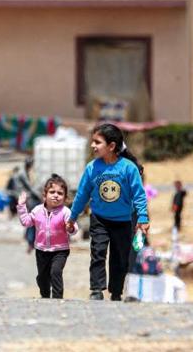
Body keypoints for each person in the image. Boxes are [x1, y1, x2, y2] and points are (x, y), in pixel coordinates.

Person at [66, 123, 149, 301]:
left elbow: (139, 195)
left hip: (123, 221)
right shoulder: (92, 168)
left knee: (120, 258)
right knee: (98, 252)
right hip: (99, 219)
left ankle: (116, 291)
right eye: (92, 141)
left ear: (111, 146)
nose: (92, 145)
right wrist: (72, 216)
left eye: (97, 142)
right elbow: (82, 195)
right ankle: (96, 289)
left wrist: (142, 217)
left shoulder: (128, 168)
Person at [17, 174, 78, 299]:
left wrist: (70, 227)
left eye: (60, 193)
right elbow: (26, 222)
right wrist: (22, 206)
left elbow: (74, 228)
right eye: (52, 192)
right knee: (43, 277)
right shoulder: (37, 210)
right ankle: (44, 295)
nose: (56, 195)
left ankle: (57, 298)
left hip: (60, 250)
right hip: (41, 250)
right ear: (44, 195)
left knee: (55, 272)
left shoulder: (65, 212)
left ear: (65, 197)